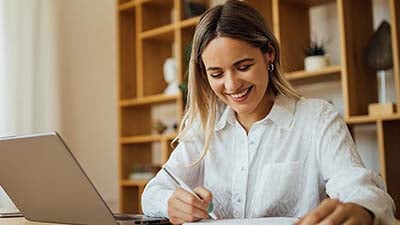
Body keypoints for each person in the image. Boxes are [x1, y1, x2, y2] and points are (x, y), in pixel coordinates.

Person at [141, 1, 397, 224]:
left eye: (243, 66)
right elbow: (153, 192)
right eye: (216, 74)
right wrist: (171, 203)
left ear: (268, 54)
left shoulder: (316, 118)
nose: (231, 86)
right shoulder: (204, 128)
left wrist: (362, 210)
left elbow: (358, 185)